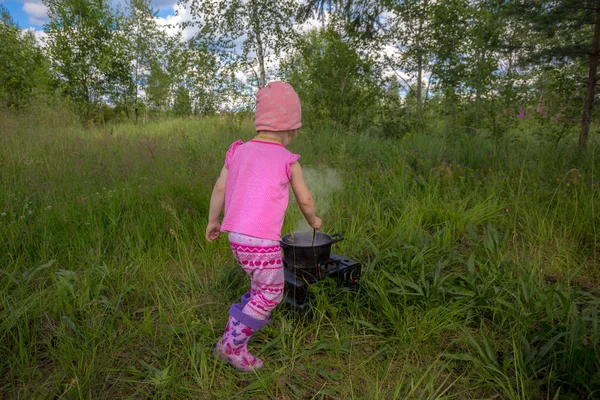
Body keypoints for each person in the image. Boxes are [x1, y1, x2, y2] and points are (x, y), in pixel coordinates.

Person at [205, 81, 321, 372]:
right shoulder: (287, 159)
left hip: (236, 239)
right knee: (272, 292)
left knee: (261, 284)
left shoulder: (239, 151)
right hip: (262, 241)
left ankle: (248, 319)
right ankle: (232, 346)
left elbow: (219, 188)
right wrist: (314, 221)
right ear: (291, 130)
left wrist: (213, 221)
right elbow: (305, 199)